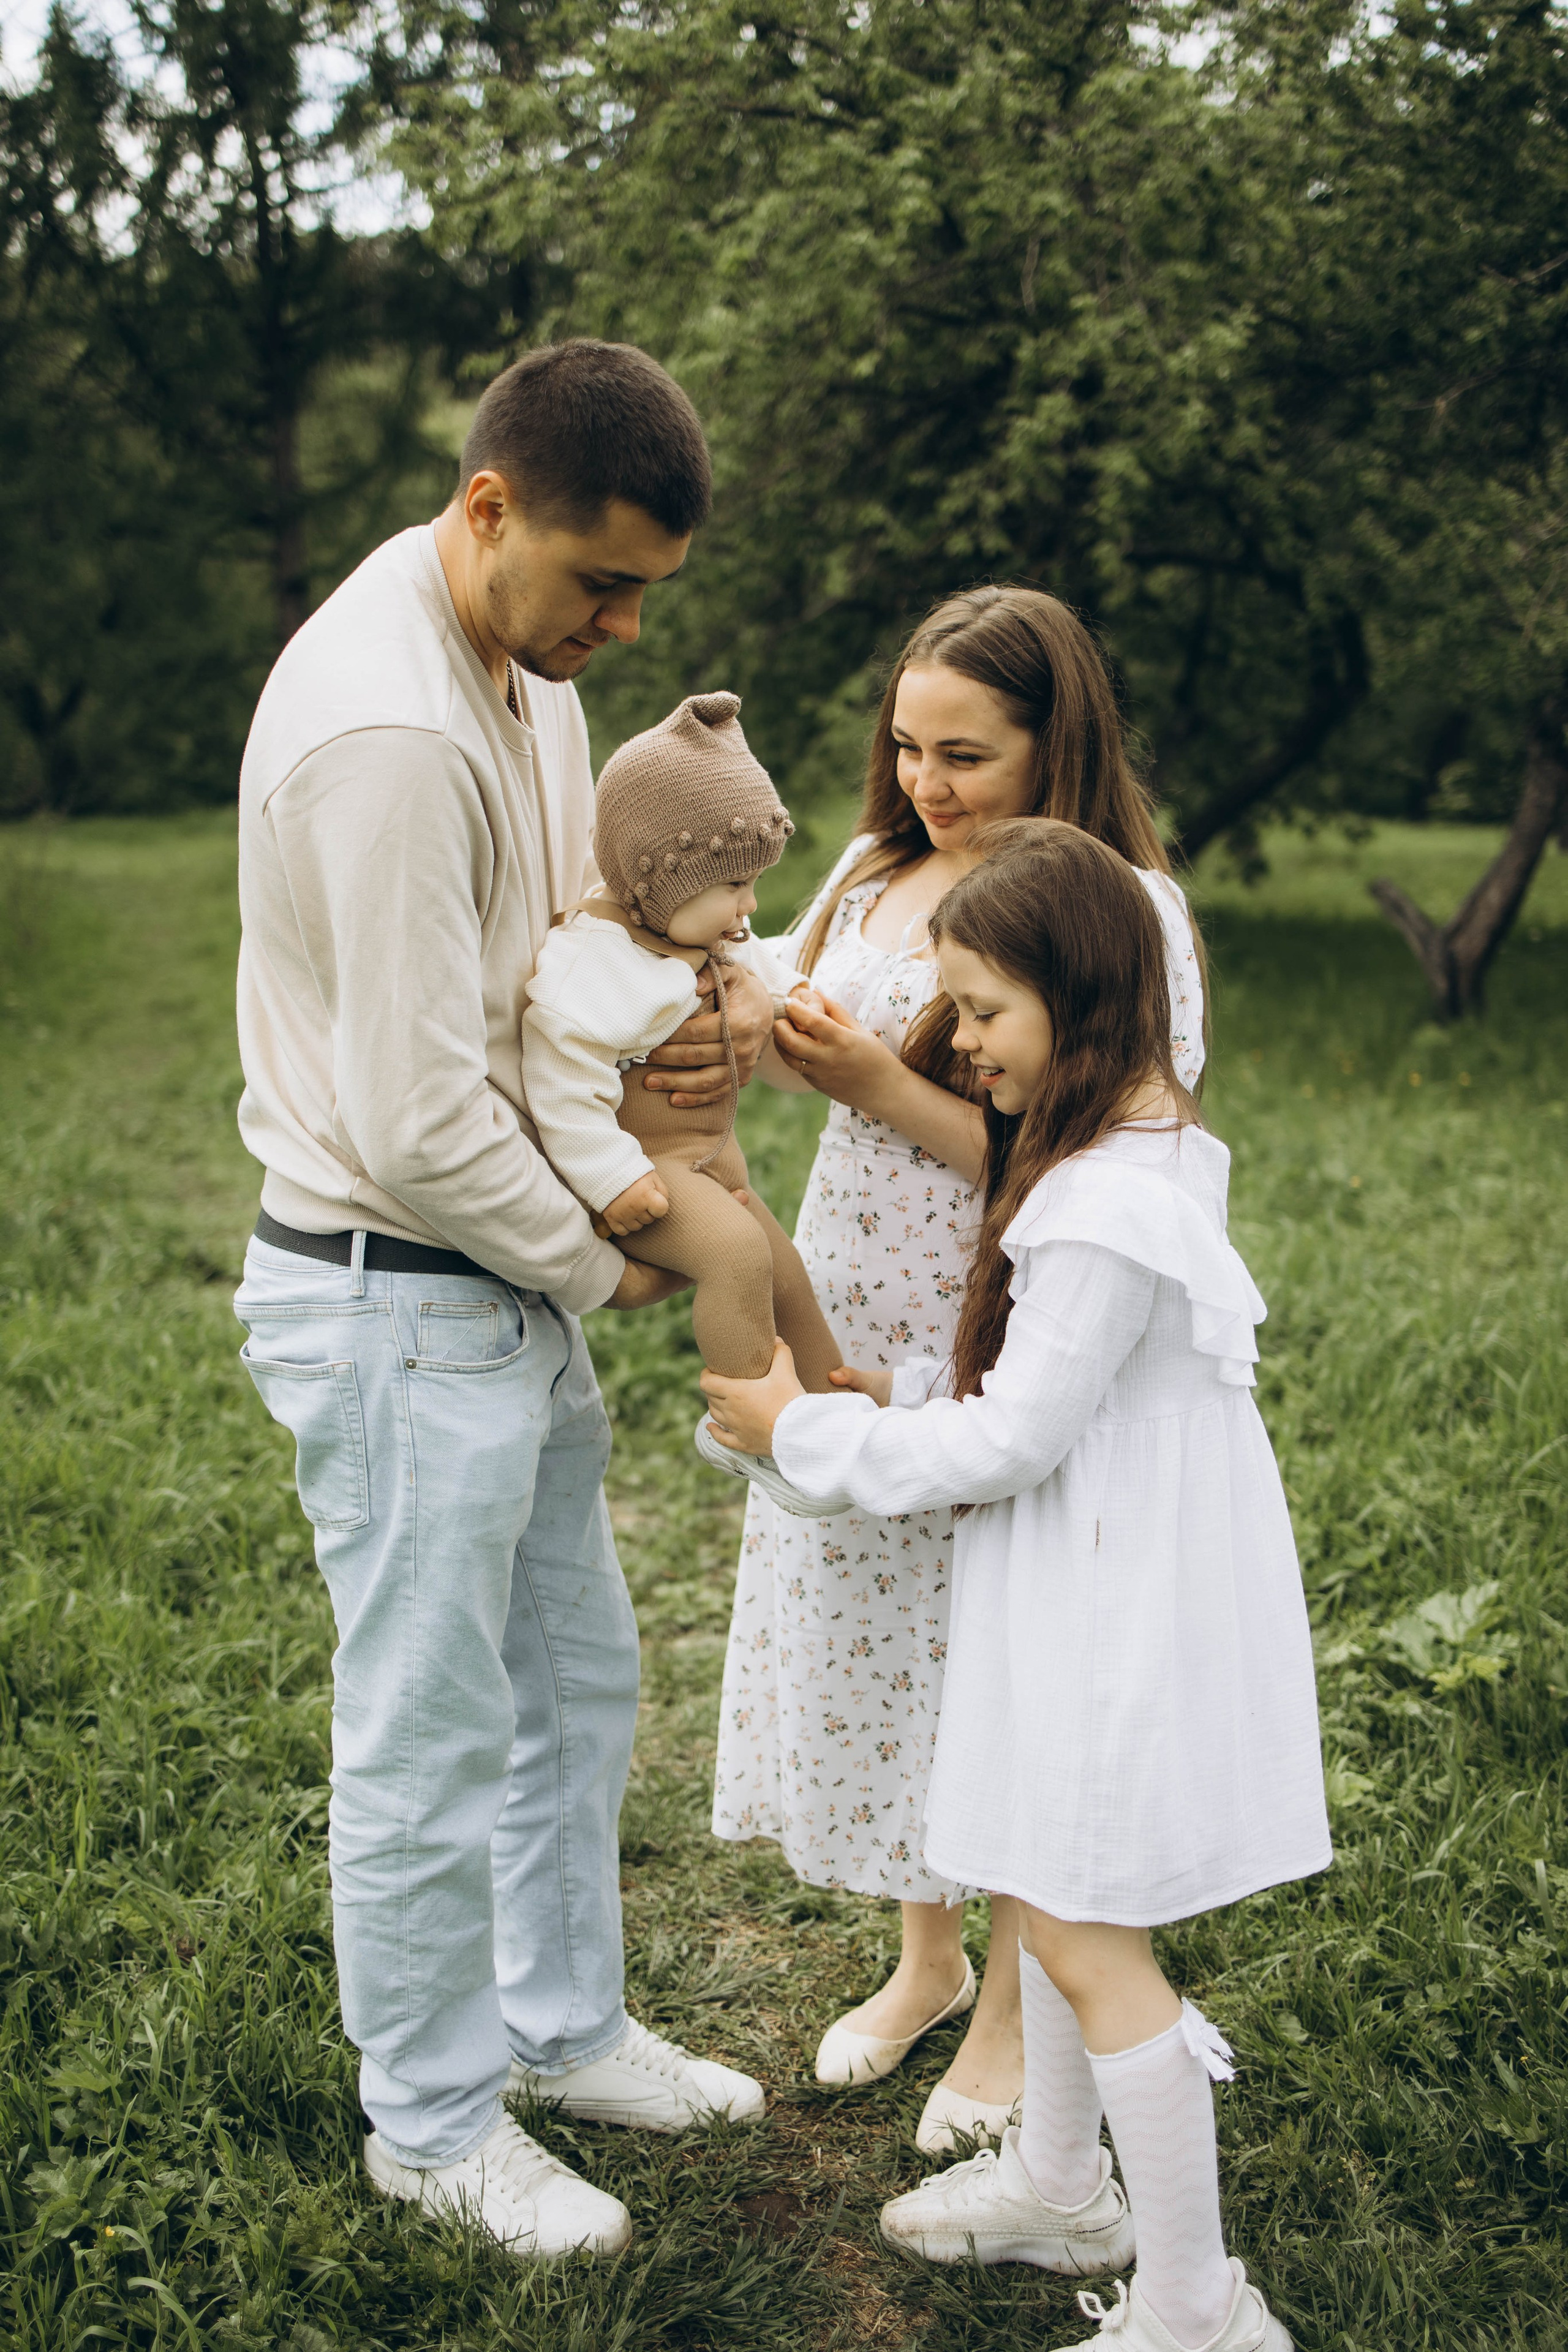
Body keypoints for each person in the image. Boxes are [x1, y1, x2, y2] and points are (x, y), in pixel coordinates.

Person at [233, 341, 773, 2263]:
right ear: (487, 510)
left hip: (496, 1285)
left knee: (572, 1681)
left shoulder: (517, 663)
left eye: (647, 593)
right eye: (598, 583)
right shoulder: (386, 731)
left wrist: (666, 1067)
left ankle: (561, 2028)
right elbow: (411, 1108)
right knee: (430, 1721)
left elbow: (543, 965)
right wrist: (614, 1253)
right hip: (396, 1294)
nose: (621, 630)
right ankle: (435, 2121)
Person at [701, 821, 1330, 2352]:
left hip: (1109, 1597)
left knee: (1088, 1928)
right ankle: (1058, 2184)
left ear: (1081, 993)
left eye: (979, 1010)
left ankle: (1195, 2305)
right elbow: (1046, 1394)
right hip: (1075, 1567)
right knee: (1044, 1881)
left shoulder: (1105, 1199)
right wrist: (896, 1380)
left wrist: (816, 1428)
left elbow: (1019, 1436)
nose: (956, 1041)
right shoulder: (1113, 1151)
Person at [710, 586, 1206, 2153]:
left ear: (1056, 740)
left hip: (1001, 1299)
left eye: (967, 754)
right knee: (870, 1632)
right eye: (907, 746)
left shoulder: (1117, 903)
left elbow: (1103, 1140)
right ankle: (922, 1958)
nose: (927, 781)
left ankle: (1010, 2005)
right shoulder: (869, 871)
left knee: (989, 1649)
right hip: (843, 1280)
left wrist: (868, 1080)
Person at [522, 690, 842, 1411]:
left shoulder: (697, 930)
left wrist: (798, 1002)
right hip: (648, 1176)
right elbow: (559, 1077)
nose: (749, 906)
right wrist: (612, 1178)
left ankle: (835, 1408)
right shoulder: (598, 964)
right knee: (734, 1254)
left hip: (707, 1162)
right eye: (734, 884)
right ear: (655, 878)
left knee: (781, 1268)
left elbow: (764, 969)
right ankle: (753, 1416)